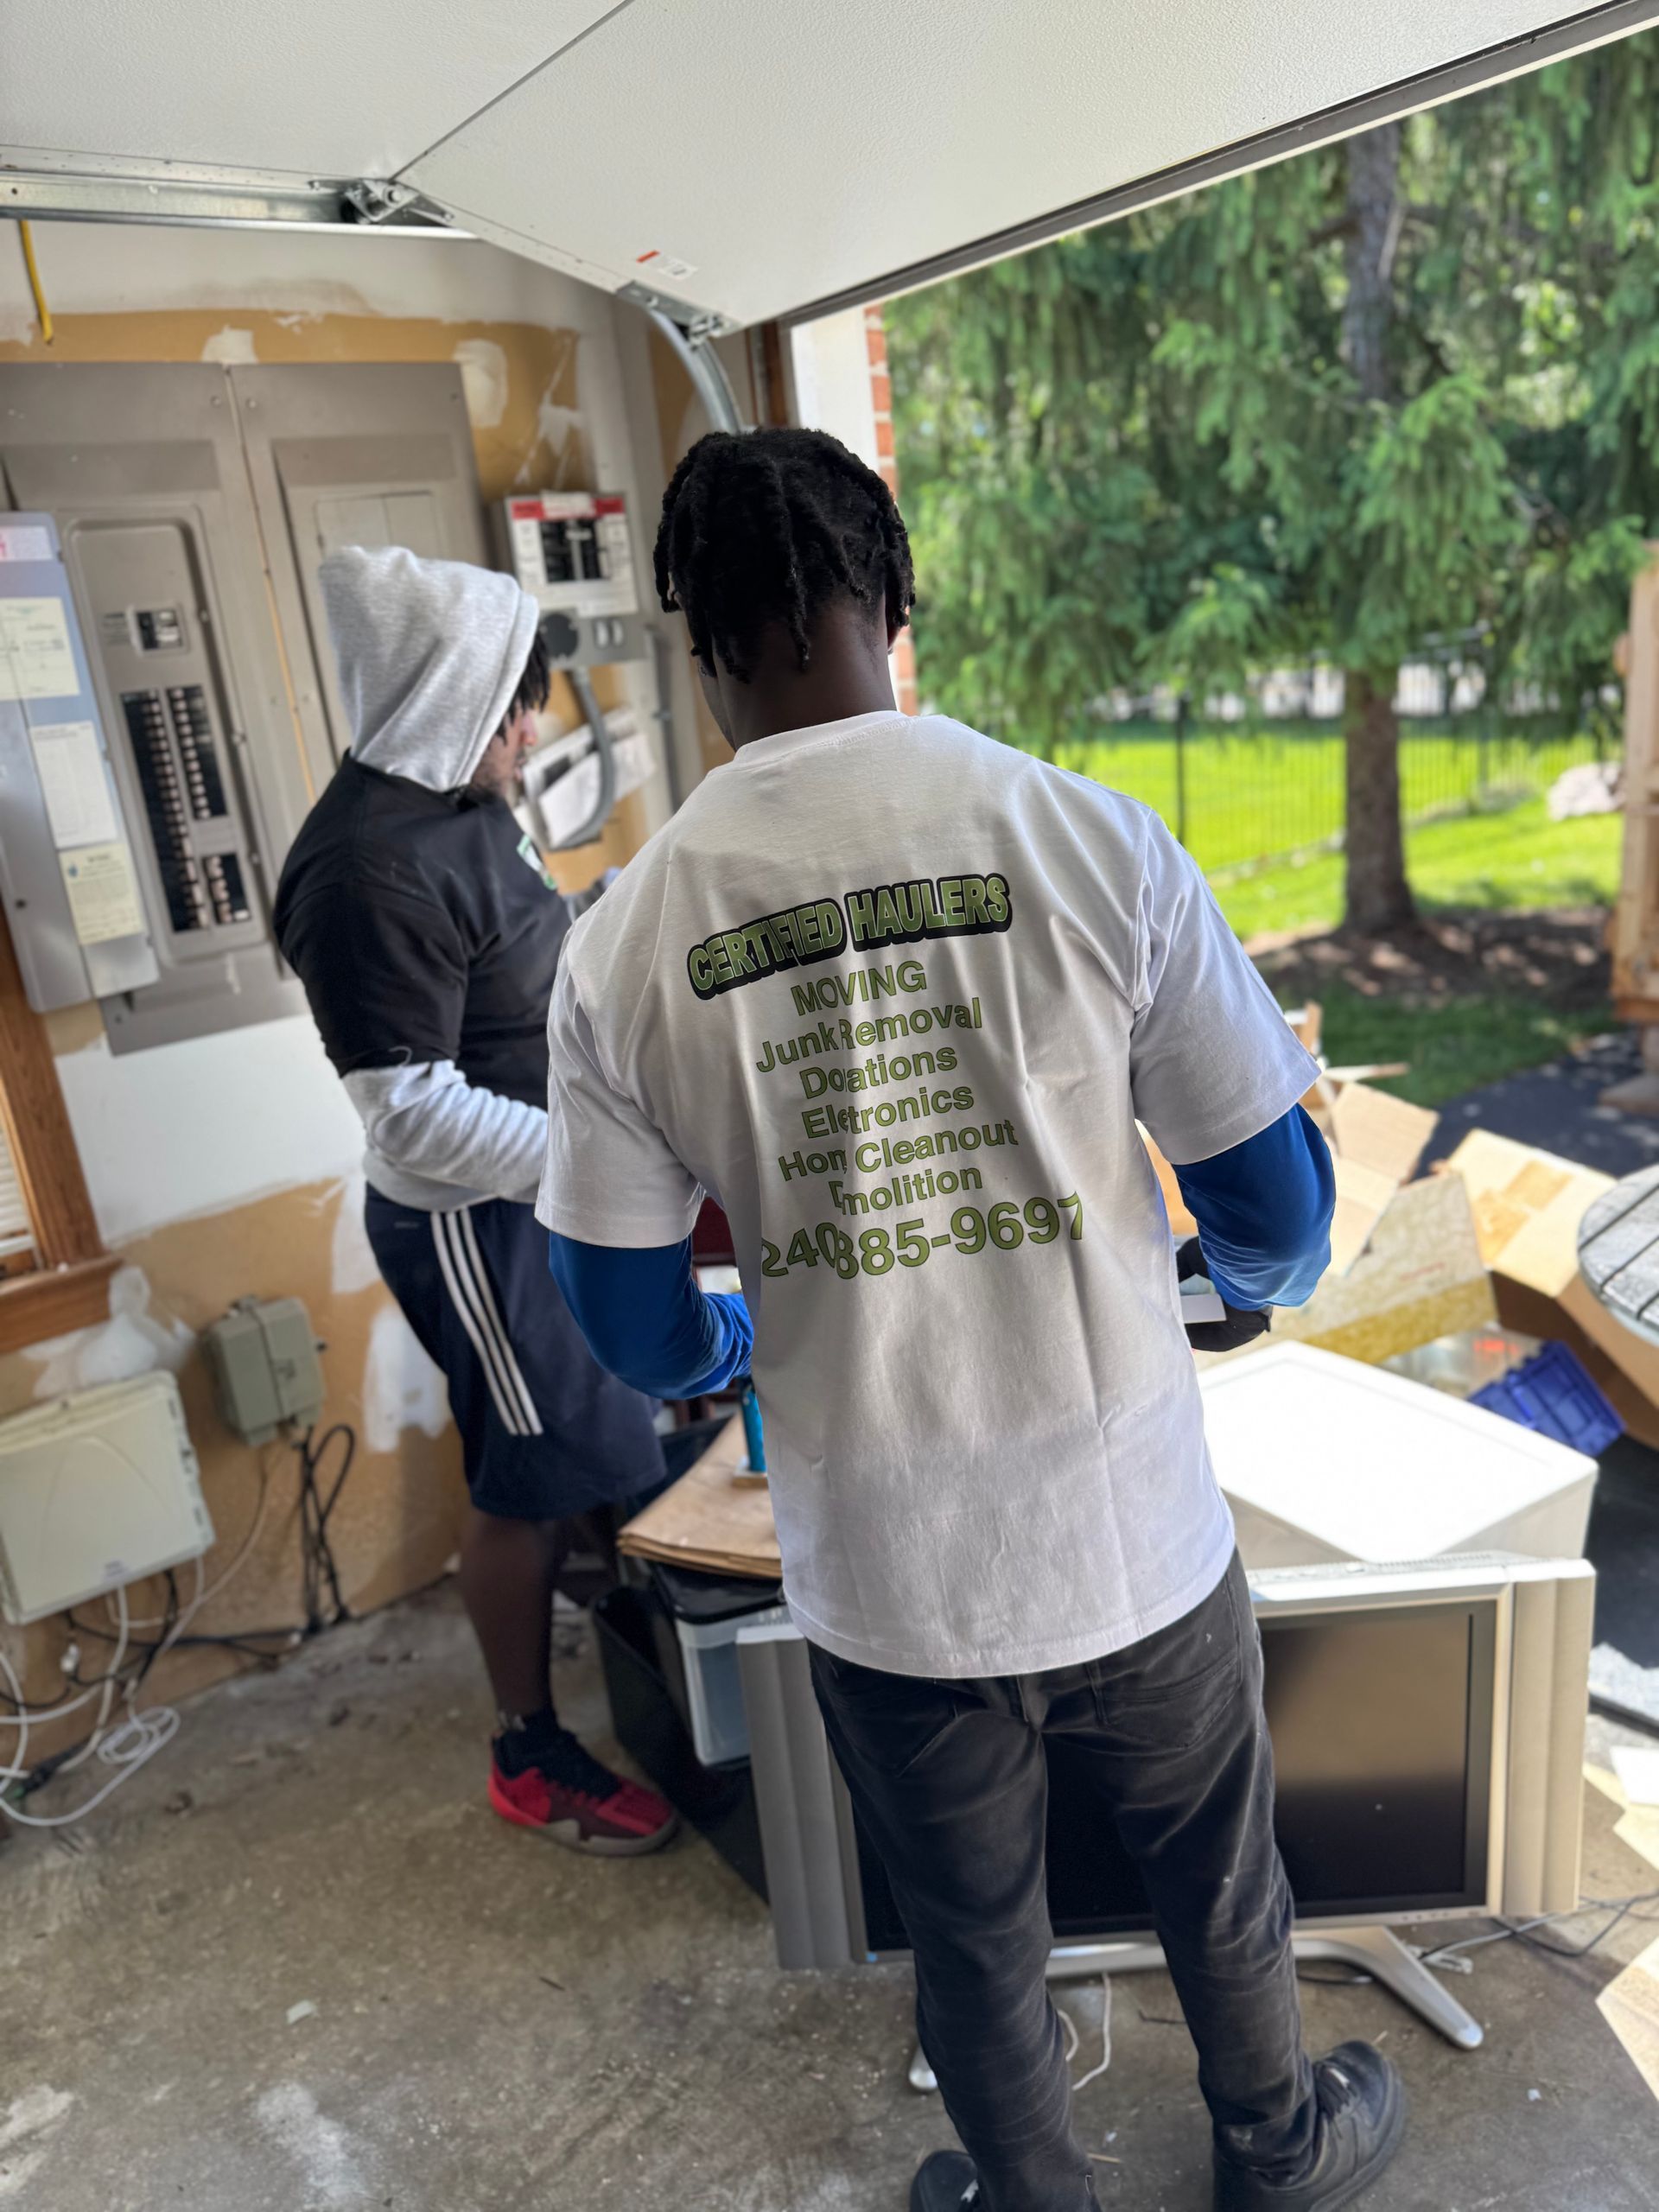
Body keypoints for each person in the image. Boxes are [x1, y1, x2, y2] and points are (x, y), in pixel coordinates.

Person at [535, 429, 1405, 2210]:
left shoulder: (625, 942)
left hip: (883, 1571)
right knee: (1218, 1875)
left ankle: (1036, 2192)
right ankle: (1278, 2146)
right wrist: (1218, 1298)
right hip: (1134, 1526)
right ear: (895, 596)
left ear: (696, 643)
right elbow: (1281, 1214)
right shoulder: (1085, 834)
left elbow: (626, 1321)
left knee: (970, 1926)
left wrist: (734, 1353)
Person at [273, 545, 677, 1858]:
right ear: (458, 697)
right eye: (520, 704)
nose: (535, 728)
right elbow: (413, 1112)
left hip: (541, 1185)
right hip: (471, 1220)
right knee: (530, 1474)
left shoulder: (460, 808)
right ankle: (526, 1750)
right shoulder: (361, 877)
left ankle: (640, 1667)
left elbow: (519, 951)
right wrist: (599, 1164)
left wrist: (629, 903)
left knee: (599, 1434)